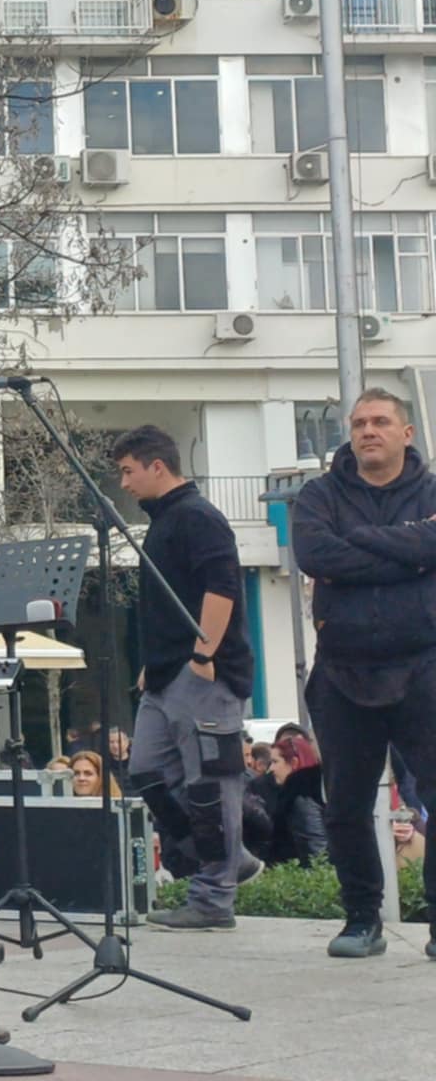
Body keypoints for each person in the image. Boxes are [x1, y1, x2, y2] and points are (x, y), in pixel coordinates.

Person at [290, 385, 436, 958]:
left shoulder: (431, 489)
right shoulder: (320, 495)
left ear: (406, 433)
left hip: (425, 665)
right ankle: (361, 921)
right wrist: (412, 551)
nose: (367, 431)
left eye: (379, 421)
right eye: (358, 423)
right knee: (346, 802)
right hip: (344, 672)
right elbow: (315, 555)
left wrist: (360, 544)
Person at [111, 425, 259, 931]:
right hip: (166, 674)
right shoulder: (168, 521)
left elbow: (221, 587)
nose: (124, 484)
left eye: (128, 471)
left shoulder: (198, 518)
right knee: (147, 769)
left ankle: (214, 899)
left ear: (158, 466)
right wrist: (158, 660)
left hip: (203, 675)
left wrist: (202, 654)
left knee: (211, 786)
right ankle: (228, 857)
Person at [259, 734, 328, 867]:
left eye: (275, 761)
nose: (271, 769)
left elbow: (317, 852)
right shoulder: (305, 792)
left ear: (294, 763)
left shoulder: (300, 798)